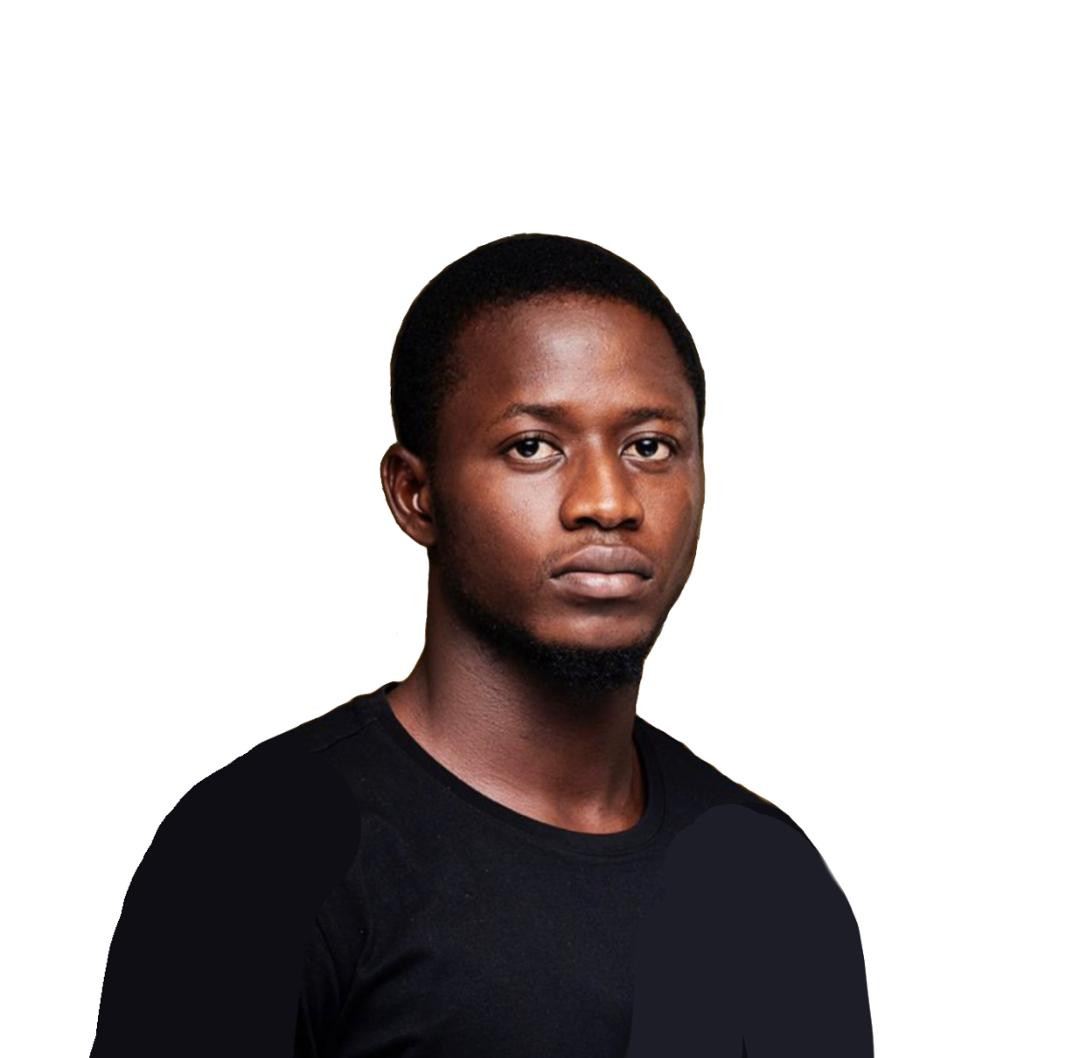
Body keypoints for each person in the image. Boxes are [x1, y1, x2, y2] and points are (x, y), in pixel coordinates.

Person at [89, 233, 874, 1057]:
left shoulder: (771, 882)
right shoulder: (254, 854)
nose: (608, 502)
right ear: (415, 494)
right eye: (532, 447)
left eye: (649, 447)